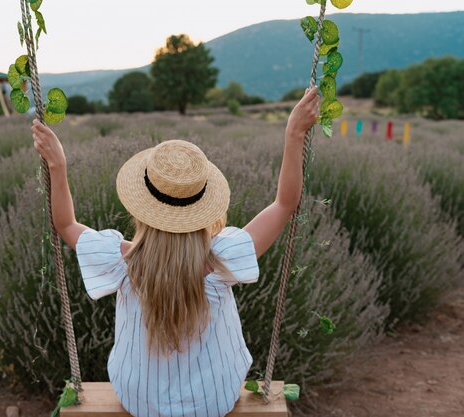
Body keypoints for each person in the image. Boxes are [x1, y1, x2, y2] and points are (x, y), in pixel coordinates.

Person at [31, 86, 320, 417]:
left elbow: (65, 224)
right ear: (205, 207)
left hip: (141, 399)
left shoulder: (121, 261)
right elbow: (285, 204)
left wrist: (57, 165)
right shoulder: (222, 260)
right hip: (212, 400)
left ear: (142, 208)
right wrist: (294, 134)